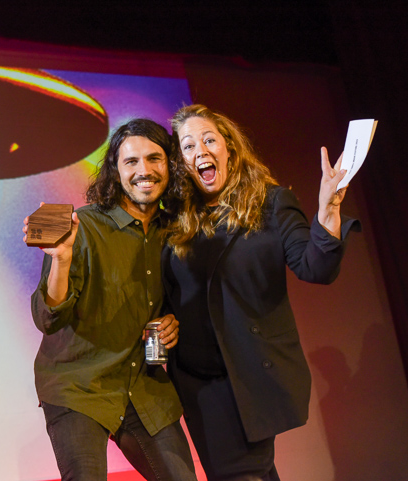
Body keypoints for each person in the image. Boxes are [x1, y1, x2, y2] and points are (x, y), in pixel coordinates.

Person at [161, 104, 361, 481]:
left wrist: (328, 214)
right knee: (249, 472)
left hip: (251, 371)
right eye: (188, 146)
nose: (200, 151)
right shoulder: (174, 218)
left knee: (241, 472)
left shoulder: (270, 203)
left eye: (208, 140)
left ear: (229, 149)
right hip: (199, 380)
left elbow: (314, 268)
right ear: (180, 163)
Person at [25, 119, 197, 481]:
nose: (144, 171)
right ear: (115, 172)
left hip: (142, 384)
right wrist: (61, 260)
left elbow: (176, 295)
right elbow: (47, 317)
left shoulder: (174, 230)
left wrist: (170, 320)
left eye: (154, 159)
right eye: (131, 162)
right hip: (79, 384)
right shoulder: (83, 226)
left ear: (170, 165)